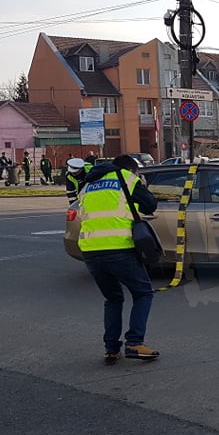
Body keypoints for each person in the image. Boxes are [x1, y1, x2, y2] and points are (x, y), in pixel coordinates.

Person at [78, 154, 159, 365]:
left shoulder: (89, 184)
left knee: (113, 299)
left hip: (91, 251)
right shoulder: (127, 178)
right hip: (119, 248)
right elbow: (150, 205)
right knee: (143, 294)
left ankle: (111, 349)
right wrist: (142, 185)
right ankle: (134, 342)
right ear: (131, 169)